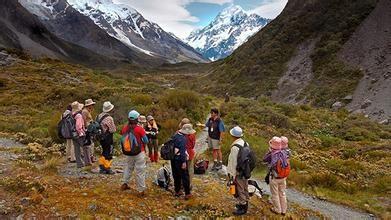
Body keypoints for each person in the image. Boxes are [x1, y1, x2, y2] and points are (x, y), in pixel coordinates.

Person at [120, 110, 149, 195]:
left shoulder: (124, 128)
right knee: (140, 170)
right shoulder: (139, 129)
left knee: (128, 168)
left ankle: (125, 183)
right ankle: (141, 190)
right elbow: (146, 140)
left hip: (128, 152)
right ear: (137, 119)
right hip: (139, 152)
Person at [226, 126, 249, 215]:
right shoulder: (245, 143)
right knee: (245, 187)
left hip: (238, 172)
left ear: (233, 135)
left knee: (239, 189)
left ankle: (242, 207)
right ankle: (245, 203)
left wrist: (231, 174)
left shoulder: (235, 147)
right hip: (245, 170)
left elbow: (232, 162)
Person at [263, 136, 288, 216]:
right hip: (283, 177)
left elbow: (264, 159)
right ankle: (284, 210)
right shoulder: (284, 153)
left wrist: (269, 151)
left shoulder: (272, 154)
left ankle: (277, 209)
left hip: (275, 177)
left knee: (275, 194)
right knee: (282, 193)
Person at [171, 124, 194, 200]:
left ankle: (177, 191)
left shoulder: (175, 135)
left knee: (176, 175)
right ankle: (187, 193)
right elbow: (182, 151)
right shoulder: (183, 139)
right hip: (180, 159)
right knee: (185, 176)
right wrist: (184, 162)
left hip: (173, 158)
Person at [97, 101, 116, 174]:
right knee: (108, 152)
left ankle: (102, 167)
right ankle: (107, 168)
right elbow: (112, 130)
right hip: (108, 137)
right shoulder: (109, 118)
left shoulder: (99, 116)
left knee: (104, 151)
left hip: (101, 137)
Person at [71, 101, 87, 168]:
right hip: (79, 134)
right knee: (85, 147)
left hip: (73, 134)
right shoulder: (79, 115)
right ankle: (87, 162)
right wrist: (82, 133)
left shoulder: (72, 114)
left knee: (76, 149)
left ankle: (79, 163)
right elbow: (78, 126)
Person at [82, 98, 96, 164]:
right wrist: (86, 128)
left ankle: (91, 156)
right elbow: (84, 120)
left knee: (91, 143)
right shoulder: (85, 111)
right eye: (91, 104)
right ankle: (90, 157)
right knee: (90, 143)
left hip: (90, 128)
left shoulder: (88, 111)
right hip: (88, 129)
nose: (92, 106)